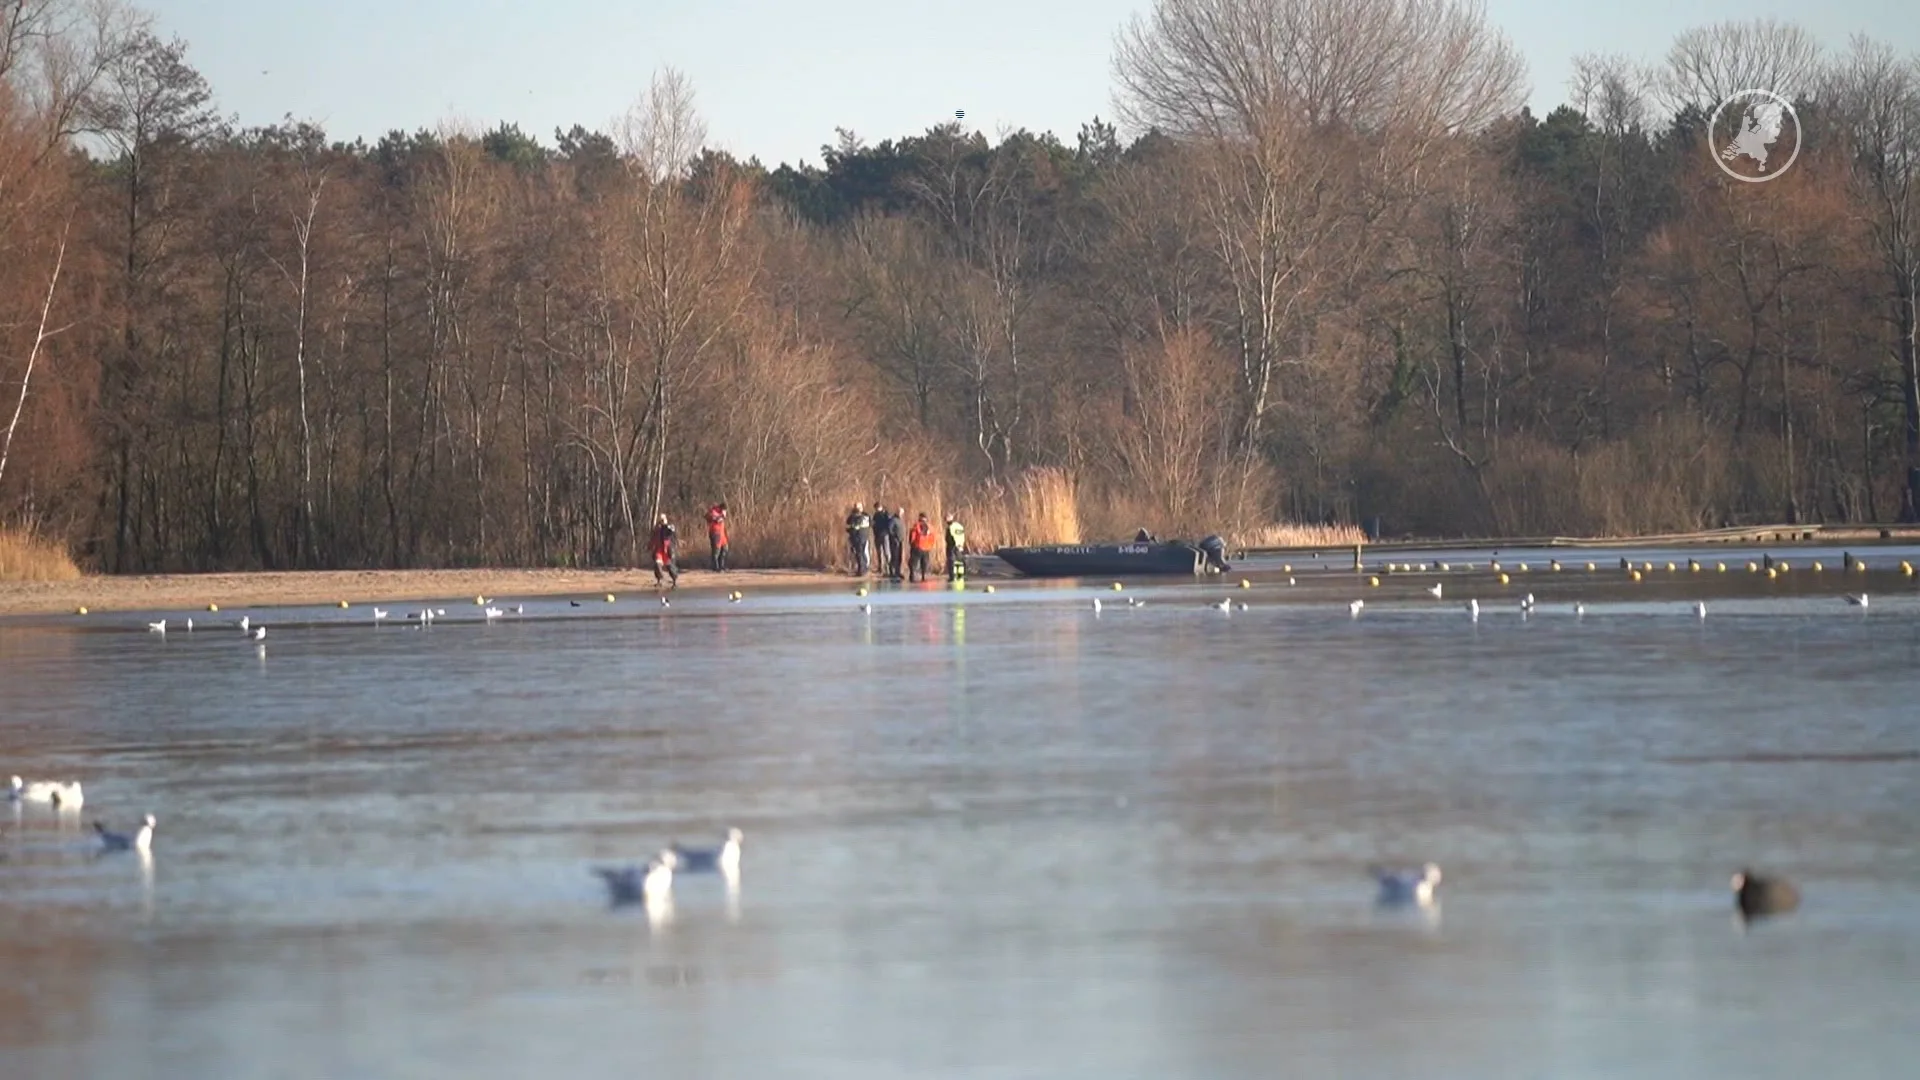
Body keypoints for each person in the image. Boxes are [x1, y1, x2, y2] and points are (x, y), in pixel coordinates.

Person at [650, 514, 679, 588]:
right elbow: (653, 539)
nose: (662, 521)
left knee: (670, 567)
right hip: (659, 550)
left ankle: (674, 582)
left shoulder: (669, 527)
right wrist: (651, 546)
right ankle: (659, 581)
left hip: (667, 550)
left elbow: (672, 531)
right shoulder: (657, 529)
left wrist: (667, 526)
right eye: (661, 520)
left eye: (663, 520)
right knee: (657, 565)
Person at [907, 512, 936, 582]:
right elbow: (933, 538)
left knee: (914, 563)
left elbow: (912, 537)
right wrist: (930, 546)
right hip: (927, 548)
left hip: (917, 547)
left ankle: (913, 576)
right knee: (924, 563)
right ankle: (924, 576)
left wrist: (911, 544)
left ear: (919, 518)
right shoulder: (930, 527)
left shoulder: (916, 526)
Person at [845, 503, 872, 575]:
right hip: (864, 536)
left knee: (859, 554)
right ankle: (864, 568)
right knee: (862, 553)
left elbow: (854, 527)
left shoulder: (858, 517)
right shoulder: (866, 516)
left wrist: (849, 530)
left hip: (858, 537)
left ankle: (861, 570)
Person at [871, 504, 894, 579]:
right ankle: (880, 568)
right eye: (876, 508)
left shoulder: (886, 514)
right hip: (877, 535)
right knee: (879, 552)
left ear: (880, 507)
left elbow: (889, 524)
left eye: (877, 508)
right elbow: (873, 524)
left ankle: (888, 568)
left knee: (886, 552)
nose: (876, 509)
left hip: (884, 535)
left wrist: (888, 532)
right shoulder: (875, 515)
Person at [706, 502, 730, 572]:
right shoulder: (714, 511)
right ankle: (715, 567)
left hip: (722, 533)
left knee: (725, 548)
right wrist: (722, 516)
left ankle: (722, 566)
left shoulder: (722, 512)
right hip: (715, 533)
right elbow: (715, 519)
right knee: (716, 551)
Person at [944, 512, 967, 581]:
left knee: (951, 561)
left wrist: (949, 545)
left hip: (952, 546)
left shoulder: (950, 527)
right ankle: (961, 575)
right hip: (960, 545)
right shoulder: (959, 526)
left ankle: (952, 577)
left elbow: (948, 538)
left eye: (945, 519)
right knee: (960, 561)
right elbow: (962, 535)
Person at [888, 506, 906, 581]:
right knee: (894, 557)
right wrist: (894, 538)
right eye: (900, 513)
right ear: (897, 512)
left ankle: (898, 571)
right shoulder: (893, 520)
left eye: (902, 513)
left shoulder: (901, 520)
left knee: (899, 557)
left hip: (901, 541)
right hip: (895, 541)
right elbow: (890, 530)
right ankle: (892, 572)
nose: (901, 514)